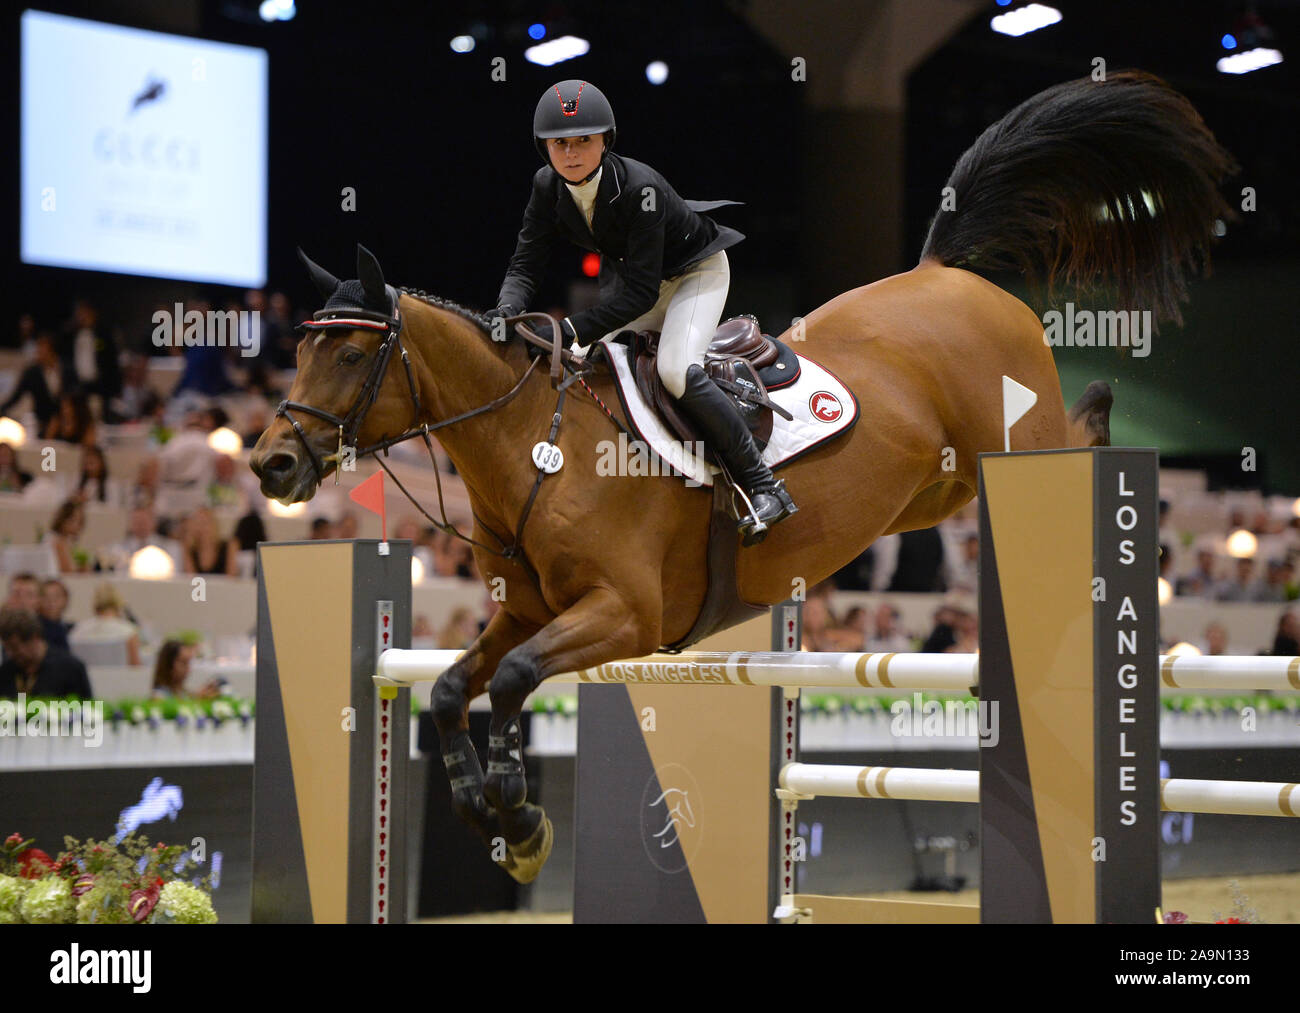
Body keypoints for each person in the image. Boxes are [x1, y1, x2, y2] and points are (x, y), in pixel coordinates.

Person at [493, 79, 795, 542]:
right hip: (642, 283)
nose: (570, 154)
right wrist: (506, 312)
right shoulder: (545, 186)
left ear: (605, 142)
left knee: (675, 369)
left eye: (582, 141)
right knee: (582, 361)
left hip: (695, 276)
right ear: (544, 148)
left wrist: (570, 326)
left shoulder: (639, 188)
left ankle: (764, 486)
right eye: (559, 144)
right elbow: (525, 262)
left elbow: (637, 296)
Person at [0, 607, 93, 699]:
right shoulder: (6, 672)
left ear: (34, 638)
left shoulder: (70, 670)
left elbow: (86, 710)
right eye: (7, 648)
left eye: (14, 648)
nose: (10, 653)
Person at [0, 333, 72, 433]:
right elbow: (16, 396)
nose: (38, 352)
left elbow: (71, 394)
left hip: (65, 421)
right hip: (41, 421)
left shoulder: (66, 369)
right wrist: (2, 409)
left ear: (51, 350)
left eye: (42, 348)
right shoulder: (32, 373)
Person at [68, 584, 142, 667]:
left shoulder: (77, 631)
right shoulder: (129, 632)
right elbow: (136, 668)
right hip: (120, 679)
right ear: (118, 605)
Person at [150, 639, 220, 699]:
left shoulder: (182, 693)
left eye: (188, 663)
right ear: (168, 664)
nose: (188, 669)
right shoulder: (159, 695)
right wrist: (197, 699)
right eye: (184, 662)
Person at [181, 507, 239, 576]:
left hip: (222, 586)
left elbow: (232, 578)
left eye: (205, 522)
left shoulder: (229, 545)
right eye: (198, 523)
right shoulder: (190, 548)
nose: (202, 527)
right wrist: (186, 547)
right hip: (199, 586)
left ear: (214, 524)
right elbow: (190, 579)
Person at [43, 499, 87, 573]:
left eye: (79, 521)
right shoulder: (56, 540)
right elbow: (67, 571)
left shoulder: (67, 540)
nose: (76, 525)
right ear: (63, 519)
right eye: (73, 520)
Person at [37, 578, 72, 652]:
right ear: (38, 600)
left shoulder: (71, 628)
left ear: (66, 599)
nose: (51, 601)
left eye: (57, 596)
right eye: (46, 596)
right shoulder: (34, 631)